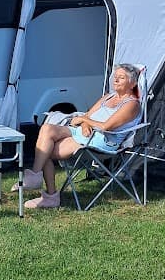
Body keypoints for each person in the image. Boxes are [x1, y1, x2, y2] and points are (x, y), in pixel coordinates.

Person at [19, 64, 142, 210]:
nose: (115, 80)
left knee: (45, 153)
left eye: (121, 78)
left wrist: (84, 122)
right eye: (115, 77)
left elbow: (106, 126)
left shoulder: (132, 104)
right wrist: (85, 124)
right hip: (86, 133)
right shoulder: (107, 97)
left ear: (133, 83)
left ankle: (50, 196)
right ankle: (35, 176)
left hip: (103, 140)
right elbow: (87, 116)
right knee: (47, 129)